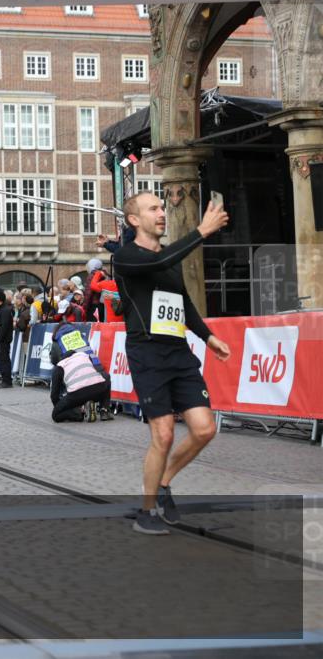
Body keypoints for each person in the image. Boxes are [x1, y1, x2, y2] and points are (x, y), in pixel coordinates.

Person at [112, 191, 231, 535]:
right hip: (146, 354)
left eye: (163, 207)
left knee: (205, 429)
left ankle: (164, 482)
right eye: (154, 209)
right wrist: (202, 231)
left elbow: (184, 304)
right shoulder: (125, 257)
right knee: (163, 435)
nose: (162, 213)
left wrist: (208, 337)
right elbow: (156, 265)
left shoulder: (170, 257)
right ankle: (146, 511)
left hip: (179, 353)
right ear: (134, 220)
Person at [49, 323, 112, 422]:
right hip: (96, 380)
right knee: (106, 377)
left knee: (65, 379)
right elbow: (93, 358)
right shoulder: (80, 335)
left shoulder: (57, 342)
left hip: (75, 387)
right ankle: (104, 411)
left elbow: (53, 361)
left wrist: (60, 407)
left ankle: (78, 411)